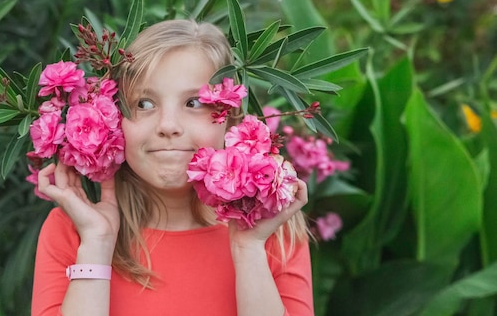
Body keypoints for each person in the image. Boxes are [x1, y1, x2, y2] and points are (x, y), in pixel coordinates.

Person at [31, 19, 313, 316]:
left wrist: (249, 251)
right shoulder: (72, 231)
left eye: (193, 103)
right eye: (144, 103)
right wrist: (97, 245)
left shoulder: (274, 232)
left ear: (230, 119)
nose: (168, 126)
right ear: (112, 118)